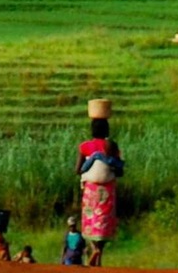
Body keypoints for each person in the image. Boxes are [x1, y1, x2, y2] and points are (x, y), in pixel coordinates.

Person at [77, 98, 124, 266]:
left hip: (91, 189)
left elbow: (78, 169)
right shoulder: (112, 146)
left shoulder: (85, 146)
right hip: (108, 189)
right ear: (107, 130)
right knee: (103, 221)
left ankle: (94, 251)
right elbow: (119, 170)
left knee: (90, 222)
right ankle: (99, 255)